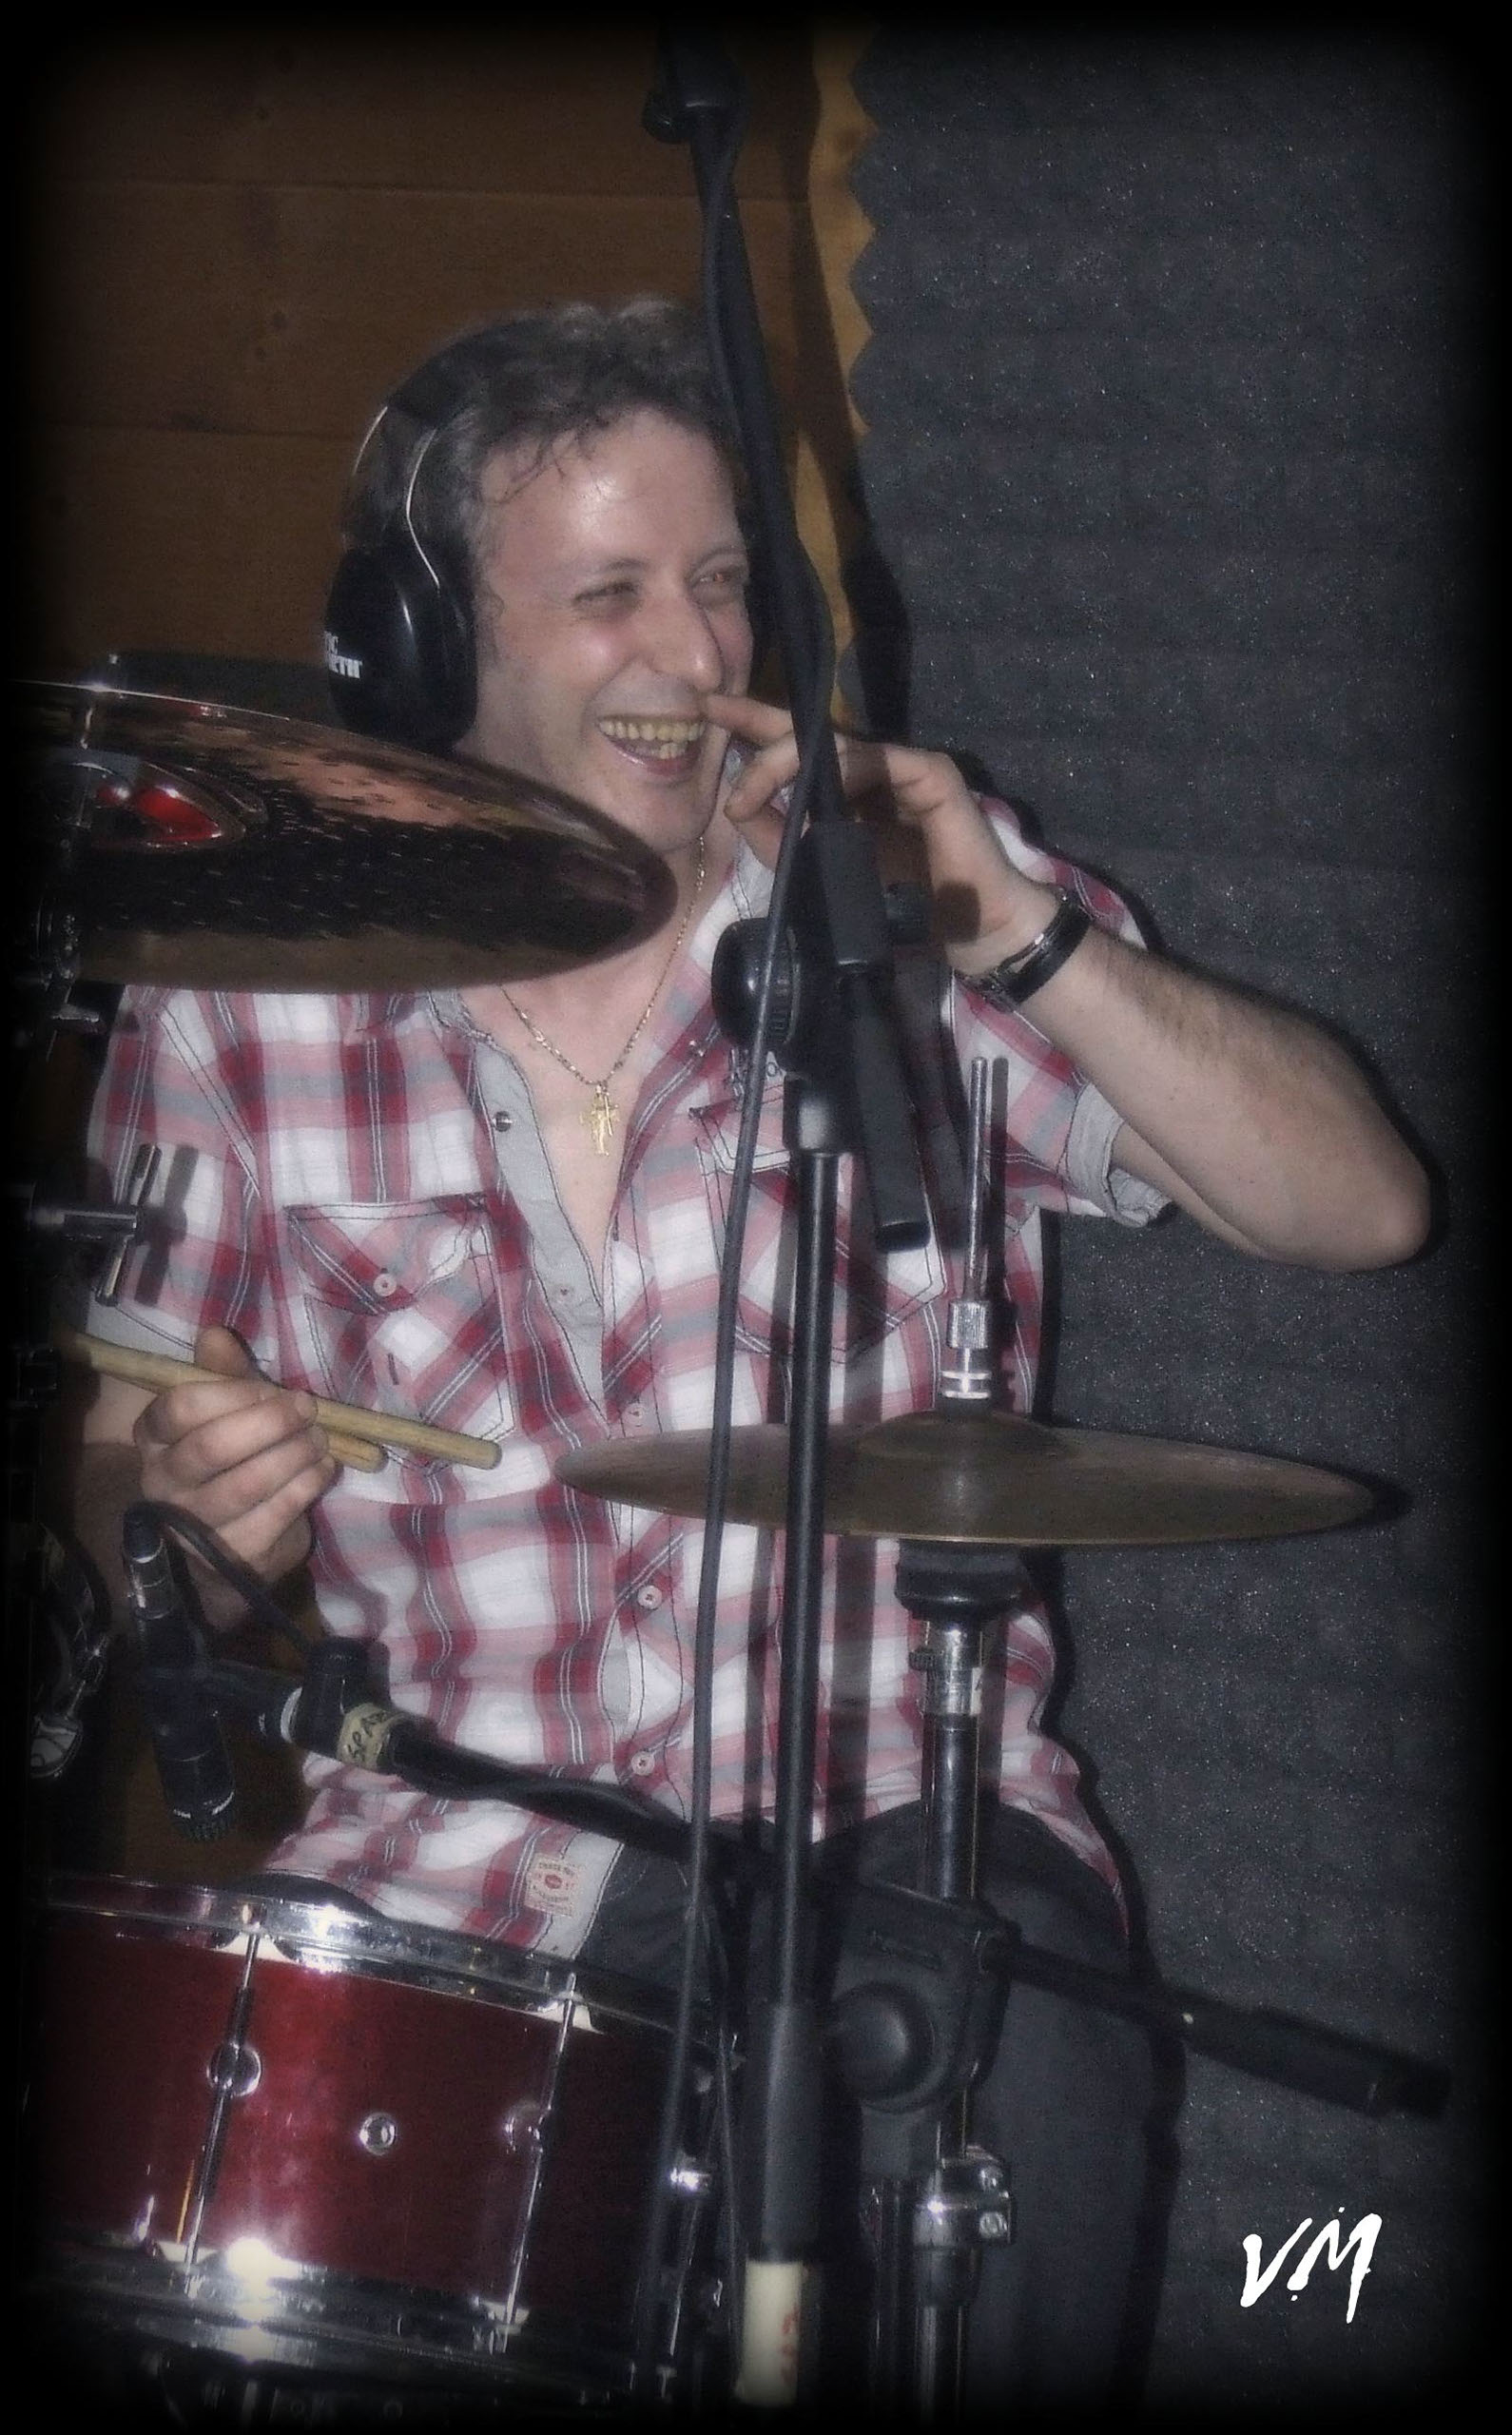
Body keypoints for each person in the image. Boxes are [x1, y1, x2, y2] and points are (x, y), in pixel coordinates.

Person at [64, 299, 1429, 2405]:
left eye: (720, 584)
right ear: (423, 651)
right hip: (454, 1847)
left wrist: (1016, 927)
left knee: (1012, 2064)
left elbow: (1359, 1204)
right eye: (607, 595)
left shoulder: (894, 919)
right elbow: (118, 1465)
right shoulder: (242, 992)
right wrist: (174, 1514)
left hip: (890, 1832)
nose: (694, 655)